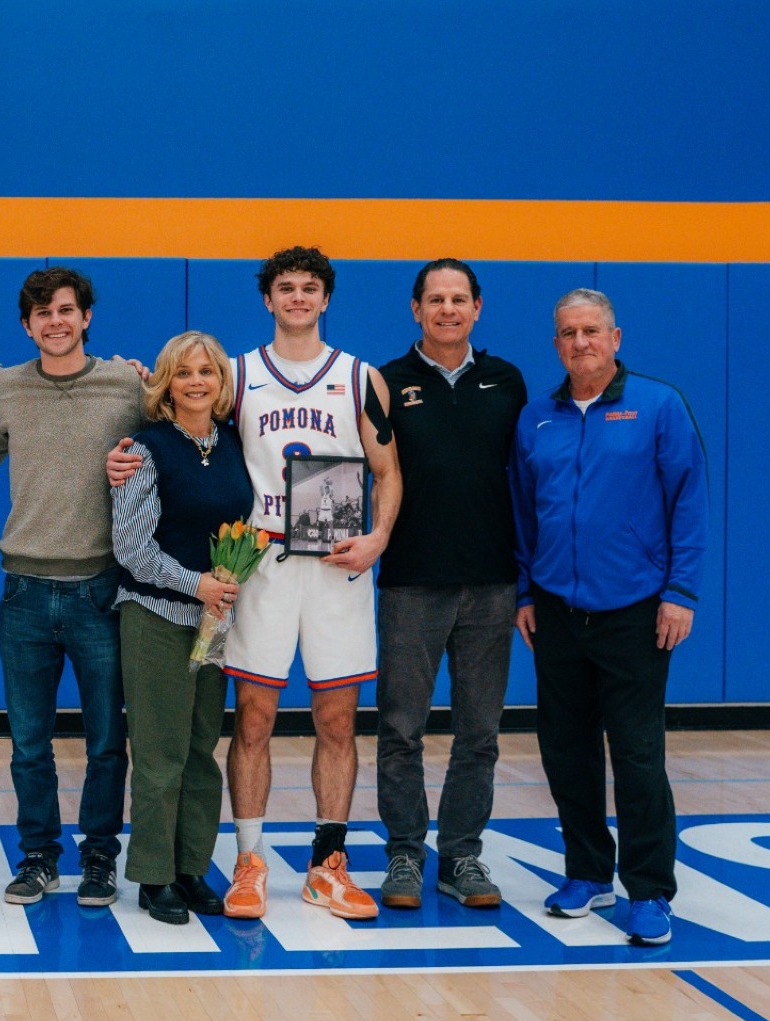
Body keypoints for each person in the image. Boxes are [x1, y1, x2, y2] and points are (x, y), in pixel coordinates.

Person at [110, 246, 401, 921]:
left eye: (309, 287)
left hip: (337, 565)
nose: (297, 297)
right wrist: (123, 443)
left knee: (336, 718)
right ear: (267, 299)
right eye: (285, 288)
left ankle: (328, 862)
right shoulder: (237, 375)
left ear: (325, 298)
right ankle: (248, 858)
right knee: (253, 720)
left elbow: (387, 471)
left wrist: (379, 537)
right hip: (259, 567)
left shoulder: (361, 378)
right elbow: (178, 408)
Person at [512, 287, 707, 947]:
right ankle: (587, 872)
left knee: (637, 754)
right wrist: (524, 593)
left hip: (636, 612)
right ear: (556, 342)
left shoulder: (658, 406)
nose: (580, 342)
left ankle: (649, 889)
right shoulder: (537, 418)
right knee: (565, 752)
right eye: (567, 332)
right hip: (557, 614)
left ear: (615, 338)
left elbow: (689, 501)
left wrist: (680, 591)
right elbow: (522, 513)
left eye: (591, 330)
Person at [0, 267, 142, 907]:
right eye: (42, 314)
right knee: (28, 745)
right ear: (27, 325)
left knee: (105, 741)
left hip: (100, 590)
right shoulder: (6, 388)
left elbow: (178, 429)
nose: (55, 322)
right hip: (24, 591)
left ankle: (100, 857)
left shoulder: (126, 383)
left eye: (66, 310)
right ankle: (39, 857)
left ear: (86, 317)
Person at [373, 259, 529, 910]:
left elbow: (527, 482)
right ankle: (406, 853)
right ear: (415, 308)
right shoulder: (385, 382)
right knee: (401, 728)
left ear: (477, 307)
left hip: (491, 585)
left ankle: (462, 853)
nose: (446, 309)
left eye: (458, 298)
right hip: (411, 582)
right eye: (434, 299)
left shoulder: (507, 382)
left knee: (479, 732)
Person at [109, 331, 247, 925]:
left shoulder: (234, 442)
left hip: (214, 621)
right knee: (161, 753)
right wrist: (198, 585)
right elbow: (131, 548)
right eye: (184, 373)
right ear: (165, 382)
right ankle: (153, 876)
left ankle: (191, 867)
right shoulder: (145, 450)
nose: (196, 382)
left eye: (207, 372)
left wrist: (219, 592)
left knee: (200, 750)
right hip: (157, 616)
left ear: (220, 383)